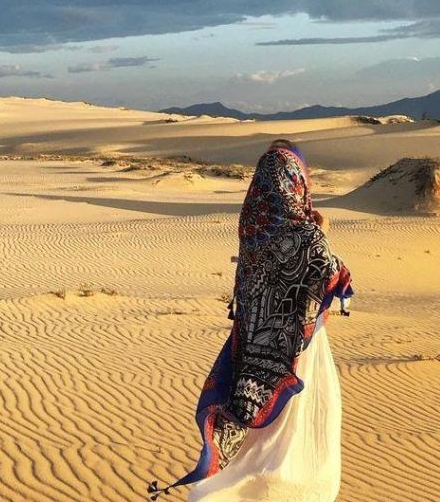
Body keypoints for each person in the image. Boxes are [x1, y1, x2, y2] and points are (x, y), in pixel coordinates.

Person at [149, 139, 352, 501]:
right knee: (290, 443)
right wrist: (322, 232)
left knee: (256, 442)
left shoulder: (255, 223)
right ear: (296, 181)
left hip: (250, 352)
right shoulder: (304, 232)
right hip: (294, 355)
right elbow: (327, 270)